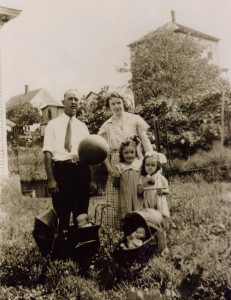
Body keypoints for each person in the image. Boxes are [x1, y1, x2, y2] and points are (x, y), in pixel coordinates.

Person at [43, 89, 92, 239]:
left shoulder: (83, 126)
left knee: (81, 214)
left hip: (81, 171)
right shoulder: (52, 125)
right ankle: (62, 250)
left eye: (76, 99)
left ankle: (81, 248)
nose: (74, 102)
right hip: (62, 171)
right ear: (63, 102)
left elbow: (88, 154)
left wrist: (92, 179)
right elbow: (47, 153)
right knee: (62, 213)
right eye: (70, 99)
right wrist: (51, 179)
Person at [98, 92, 153, 228]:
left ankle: (141, 228)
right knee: (116, 196)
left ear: (124, 103)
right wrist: (109, 169)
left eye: (119, 102)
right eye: (113, 104)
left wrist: (151, 159)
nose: (117, 106)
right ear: (109, 107)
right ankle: (118, 231)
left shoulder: (135, 119)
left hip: (135, 159)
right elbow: (105, 151)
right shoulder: (106, 125)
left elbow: (145, 141)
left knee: (137, 191)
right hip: (116, 162)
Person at [115, 136, 143, 219]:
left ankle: (141, 230)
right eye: (126, 153)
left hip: (138, 193)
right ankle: (129, 230)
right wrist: (116, 177)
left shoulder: (139, 163)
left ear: (135, 152)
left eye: (132, 152)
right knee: (128, 215)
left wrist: (139, 146)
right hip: (125, 195)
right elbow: (116, 185)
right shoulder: (120, 166)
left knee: (140, 214)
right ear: (121, 154)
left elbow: (143, 159)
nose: (129, 155)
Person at [138, 151, 170, 218]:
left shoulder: (160, 177)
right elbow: (139, 191)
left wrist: (163, 191)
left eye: (153, 165)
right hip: (148, 202)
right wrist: (145, 181)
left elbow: (167, 190)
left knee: (161, 216)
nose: (150, 167)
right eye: (147, 165)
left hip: (158, 200)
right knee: (149, 216)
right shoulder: (142, 177)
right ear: (144, 166)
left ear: (157, 166)